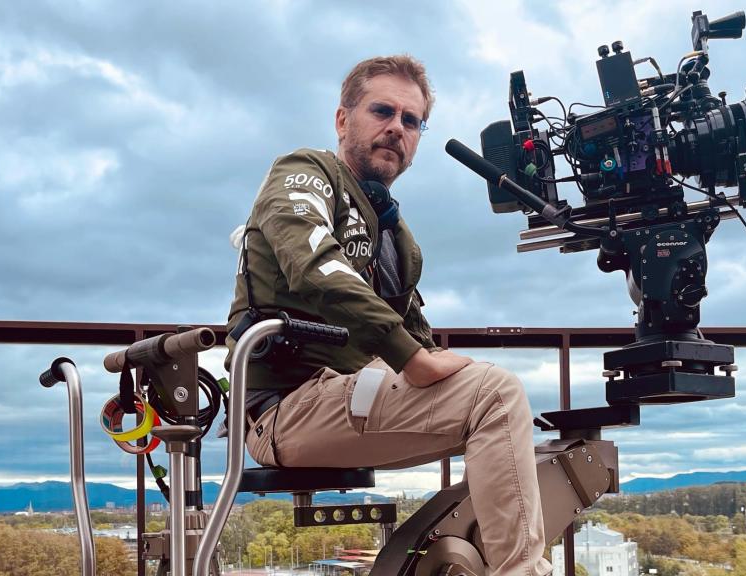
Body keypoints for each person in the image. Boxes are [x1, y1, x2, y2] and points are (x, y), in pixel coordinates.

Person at [224, 55, 553, 576]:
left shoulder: (397, 236)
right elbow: (315, 266)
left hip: (353, 392)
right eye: (382, 111)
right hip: (284, 409)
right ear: (342, 119)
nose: (396, 128)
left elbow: (416, 332)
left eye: (411, 120)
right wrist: (412, 358)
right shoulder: (304, 174)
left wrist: (437, 361)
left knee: (493, 393)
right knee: (496, 395)